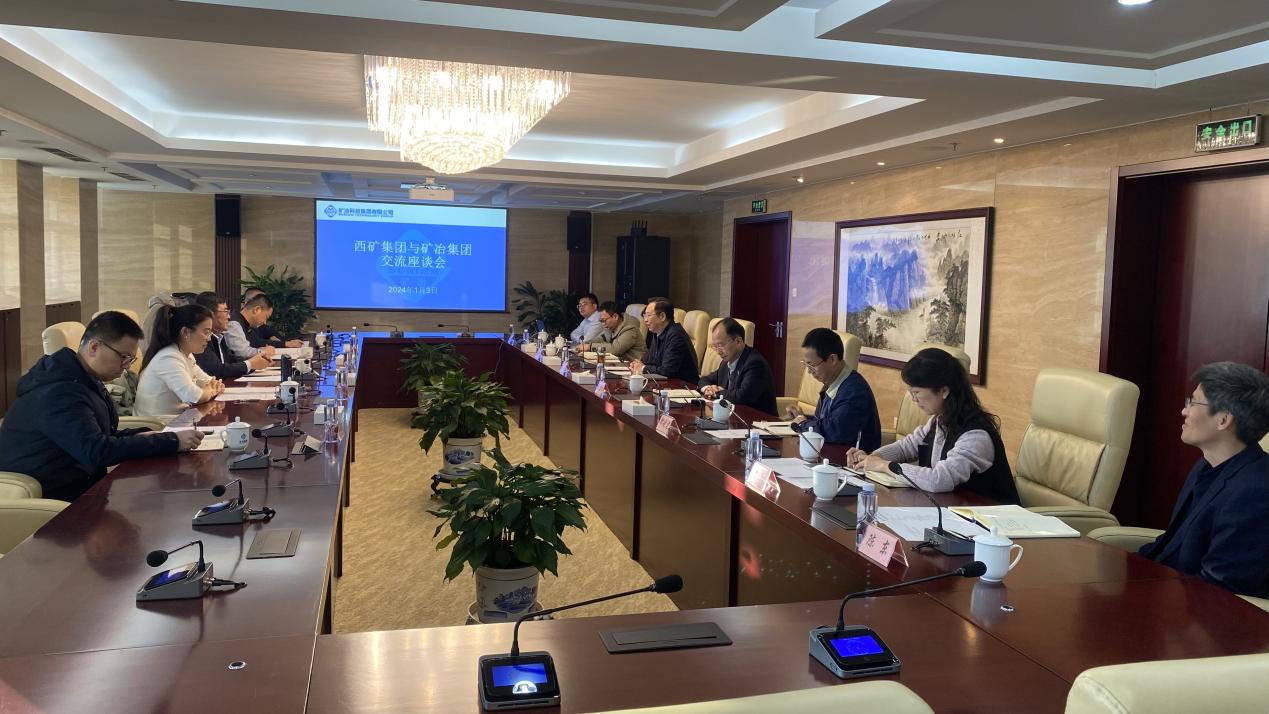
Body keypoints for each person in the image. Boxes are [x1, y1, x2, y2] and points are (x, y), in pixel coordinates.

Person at [0, 311, 201, 501]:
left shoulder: (83, 378)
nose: (127, 366)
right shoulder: (59, 392)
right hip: (55, 500)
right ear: (94, 347)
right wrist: (170, 441)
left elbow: (102, 435)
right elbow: (96, 451)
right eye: (123, 357)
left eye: (131, 359)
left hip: (83, 486)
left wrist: (144, 434)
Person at [1136, 362, 1269, 598]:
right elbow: (1169, 545)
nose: (1184, 411)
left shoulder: (1256, 492)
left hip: (1198, 610)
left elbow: (1220, 589)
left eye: (1194, 402)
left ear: (1223, 420)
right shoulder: (1206, 466)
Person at [846, 348, 1019, 504]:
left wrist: (884, 465)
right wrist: (871, 457)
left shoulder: (976, 435)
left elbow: (939, 479)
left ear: (944, 391)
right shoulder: (940, 420)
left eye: (917, 392)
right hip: (953, 509)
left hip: (990, 520)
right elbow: (907, 447)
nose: (914, 399)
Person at [788, 328, 880, 449]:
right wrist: (801, 417)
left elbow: (835, 431)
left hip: (853, 458)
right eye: (806, 364)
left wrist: (803, 424)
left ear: (832, 359)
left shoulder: (855, 391)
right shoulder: (832, 382)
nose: (809, 371)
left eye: (812, 365)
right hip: (829, 453)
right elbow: (828, 421)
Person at [134, 304, 225, 416]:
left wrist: (212, 387)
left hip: (177, 420)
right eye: (206, 332)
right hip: (157, 424)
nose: (209, 339)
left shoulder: (186, 355)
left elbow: (209, 381)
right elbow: (193, 396)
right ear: (185, 332)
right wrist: (210, 391)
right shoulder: (168, 358)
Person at [699, 317, 777, 415]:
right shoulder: (726, 362)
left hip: (758, 420)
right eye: (715, 346)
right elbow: (704, 379)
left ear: (738, 341)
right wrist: (708, 388)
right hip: (732, 418)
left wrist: (717, 393)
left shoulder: (755, 363)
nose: (718, 352)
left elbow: (743, 396)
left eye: (721, 345)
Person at [193, 291, 271, 379]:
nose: (229, 317)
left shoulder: (219, 336)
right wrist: (250, 364)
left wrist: (256, 362)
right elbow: (217, 370)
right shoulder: (201, 339)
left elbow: (231, 359)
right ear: (210, 314)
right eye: (225, 311)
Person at [630, 297, 699, 383]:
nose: (645, 320)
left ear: (662, 316)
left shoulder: (676, 335)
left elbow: (667, 371)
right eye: (644, 315)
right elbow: (649, 360)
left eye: (648, 315)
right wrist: (637, 365)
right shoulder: (658, 332)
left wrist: (643, 368)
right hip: (665, 384)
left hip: (685, 386)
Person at [578, 301, 645, 362]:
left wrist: (589, 347)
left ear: (615, 316)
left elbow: (615, 349)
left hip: (634, 365)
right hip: (620, 363)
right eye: (601, 321)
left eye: (604, 320)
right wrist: (586, 343)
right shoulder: (612, 327)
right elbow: (602, 338)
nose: (603, 324)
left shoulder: (630, 329)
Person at [226, 293, 278, 358]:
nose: (265, 322)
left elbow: (254, 343)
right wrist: (263, 351)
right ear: (257, 310)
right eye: (266, 317)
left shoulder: (247, 324)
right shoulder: (234, 324)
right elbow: (242, 352)